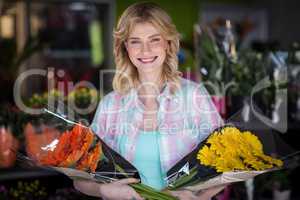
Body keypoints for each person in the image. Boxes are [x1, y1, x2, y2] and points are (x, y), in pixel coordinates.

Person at [74, 2, 224, 200]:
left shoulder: (194, 95)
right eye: (135, 41)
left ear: (168, 43)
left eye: (154, 40)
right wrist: (103, 190)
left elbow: (225, 166)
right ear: (125, 46)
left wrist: (199, 198)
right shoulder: (111, 105)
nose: (145, 50)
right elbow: (79, 178)